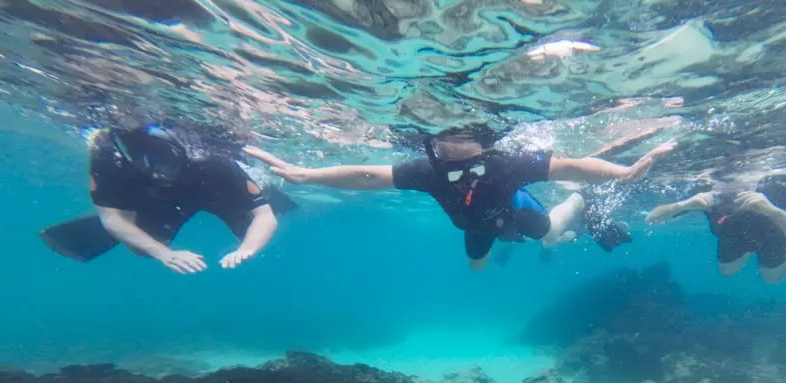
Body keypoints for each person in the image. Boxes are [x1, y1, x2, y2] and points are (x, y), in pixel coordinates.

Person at [245, 128, 676, 271]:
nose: (466, 172)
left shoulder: (508, 163)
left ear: (487, 151)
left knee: (547, 237)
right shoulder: (426, 171)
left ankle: (576, 205)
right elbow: (365, 175)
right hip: (474, 226)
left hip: (517, 214)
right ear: (437, 155)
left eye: (474, 162)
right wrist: (302, 174)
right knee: (476, 267)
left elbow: (571, 166)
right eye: (454, 164)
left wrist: (626, 172)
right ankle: (537, 241)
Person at [40, 123, 296, 273]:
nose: (162, 172)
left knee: (253, 233)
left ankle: (259, 182)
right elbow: (111, 218)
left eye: (166, 165)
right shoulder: (109, 156)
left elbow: (263, 215)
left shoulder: (212, 161)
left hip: (208, 184)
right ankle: (141, 223)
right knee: (141, 249)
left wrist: (247, 248)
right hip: (150, 191)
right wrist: (164, 253)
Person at [645, 179, 786, 283]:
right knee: (728, 272)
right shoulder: (707, 193)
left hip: (774, 238)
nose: (733, 193)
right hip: (732, 238)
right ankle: (748, 252)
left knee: (771, 278)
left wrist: (770, 210)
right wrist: (685, 205)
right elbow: (651, 218)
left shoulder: (775, 192)